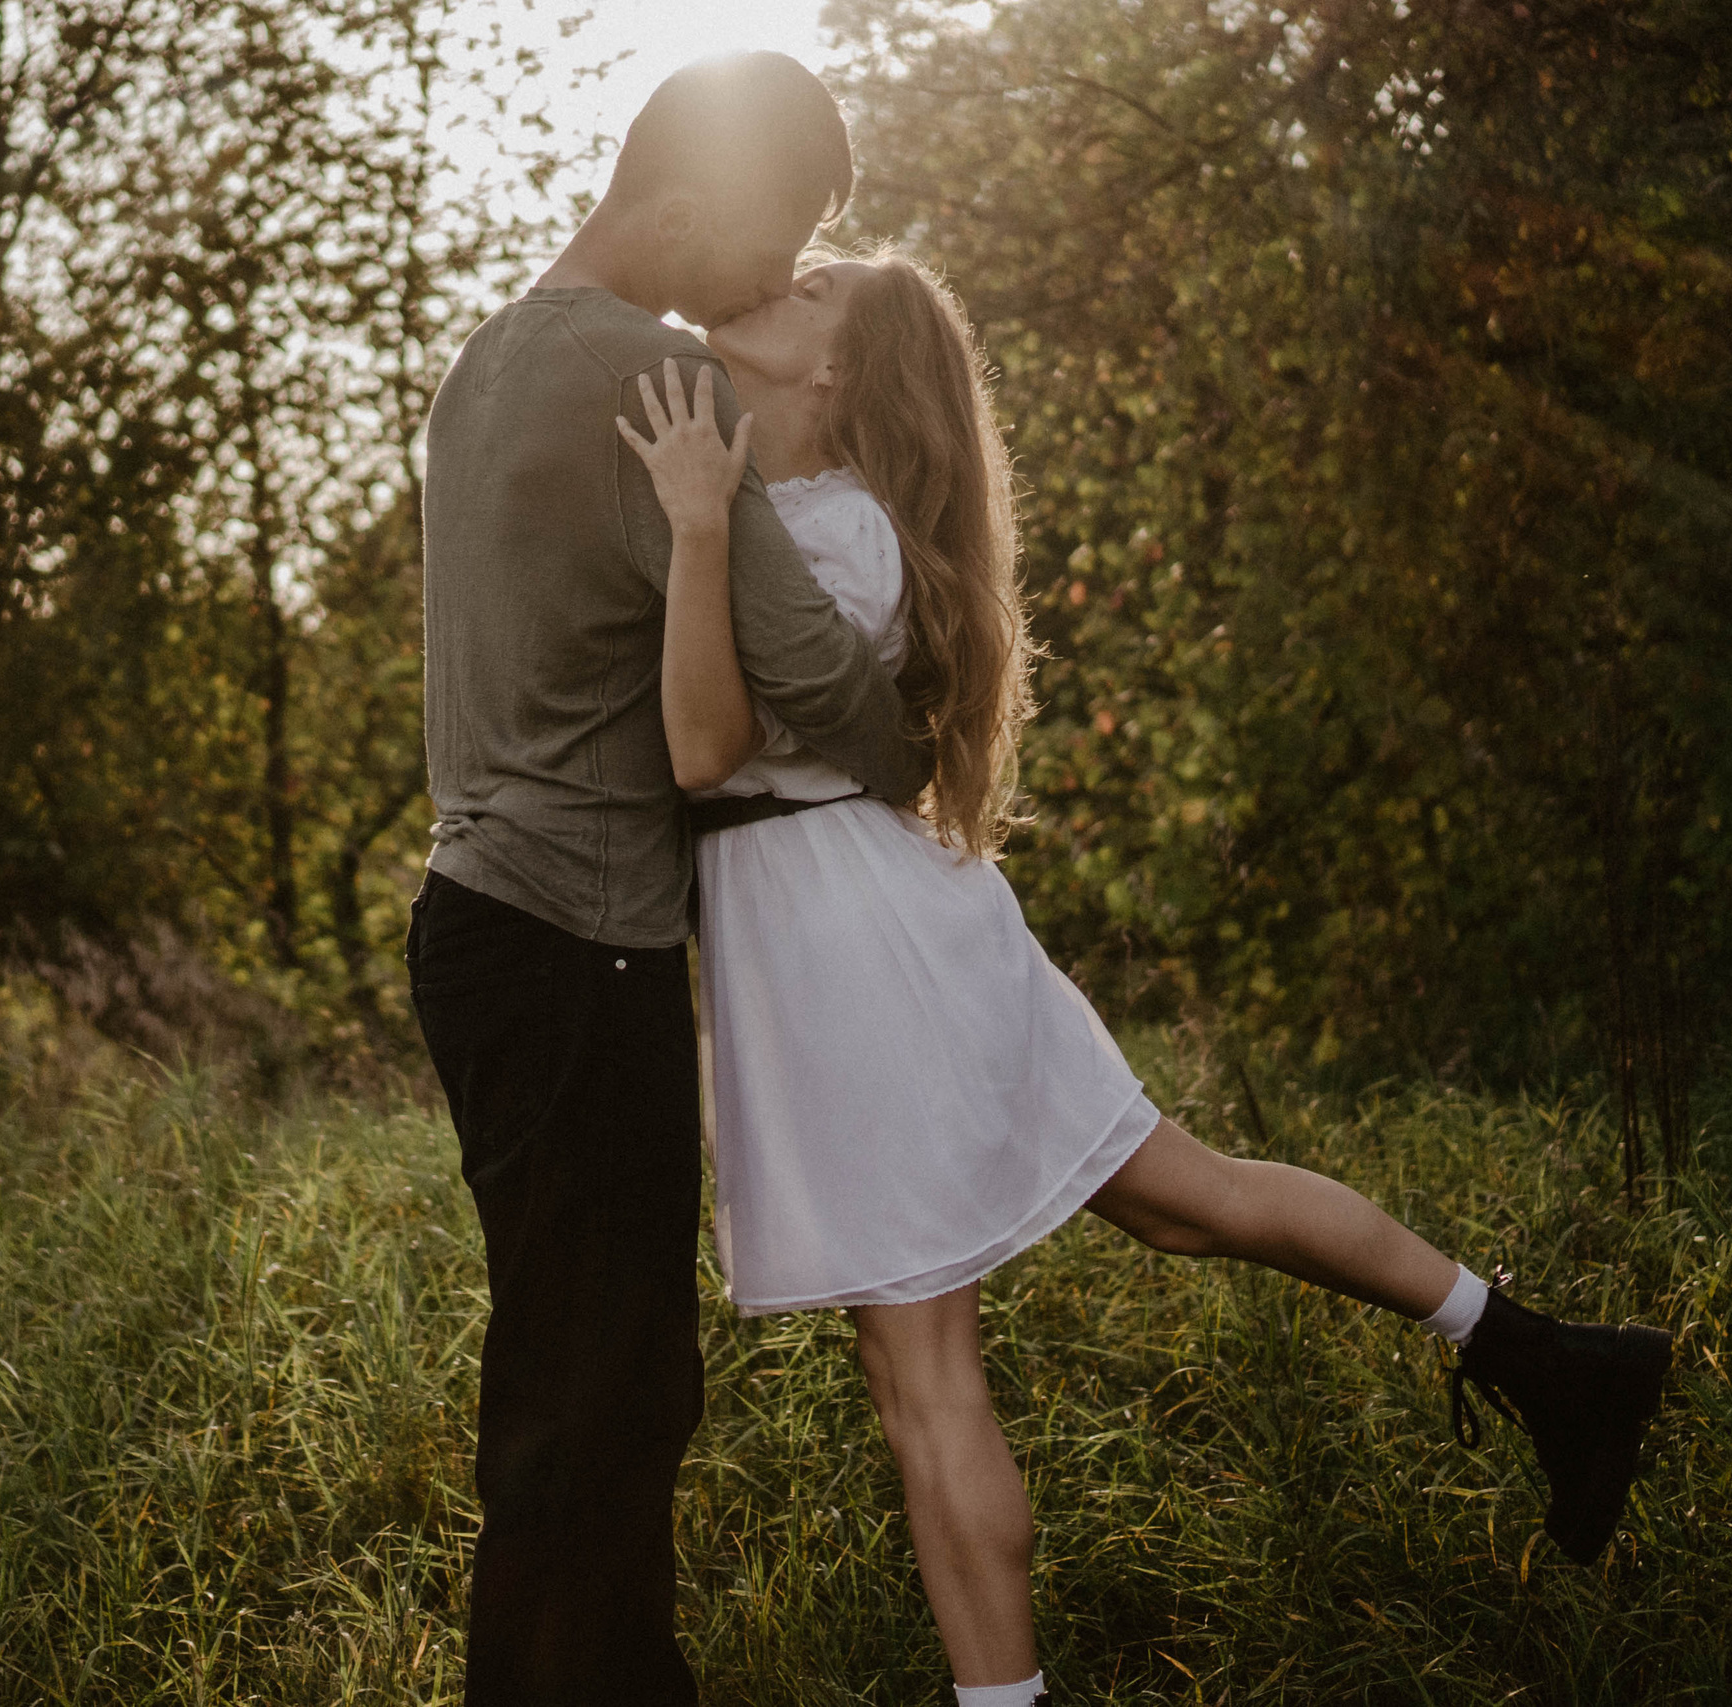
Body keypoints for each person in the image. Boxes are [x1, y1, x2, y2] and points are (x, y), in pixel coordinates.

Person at [617, 249, 1676, 1707]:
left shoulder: (826, 535)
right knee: (1187, 1200)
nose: (766, 286)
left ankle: (1012, 1701)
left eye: (807, 290)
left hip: (853, 950)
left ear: (835, 370)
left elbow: (697, 748)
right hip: (875, 925)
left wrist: (690, 524)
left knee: (926, 1385)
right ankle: (1550, 1358)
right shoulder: (823, 519)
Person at [405, 53, 931, 1707]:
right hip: (578, 947)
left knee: (589, 1386)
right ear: (682, 202)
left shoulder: (488, 363)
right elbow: (802, 659)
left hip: (484, 926)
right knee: (595, 1401)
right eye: (777, 238)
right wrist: (916, 748)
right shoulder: (648, 377)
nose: (779, 279)